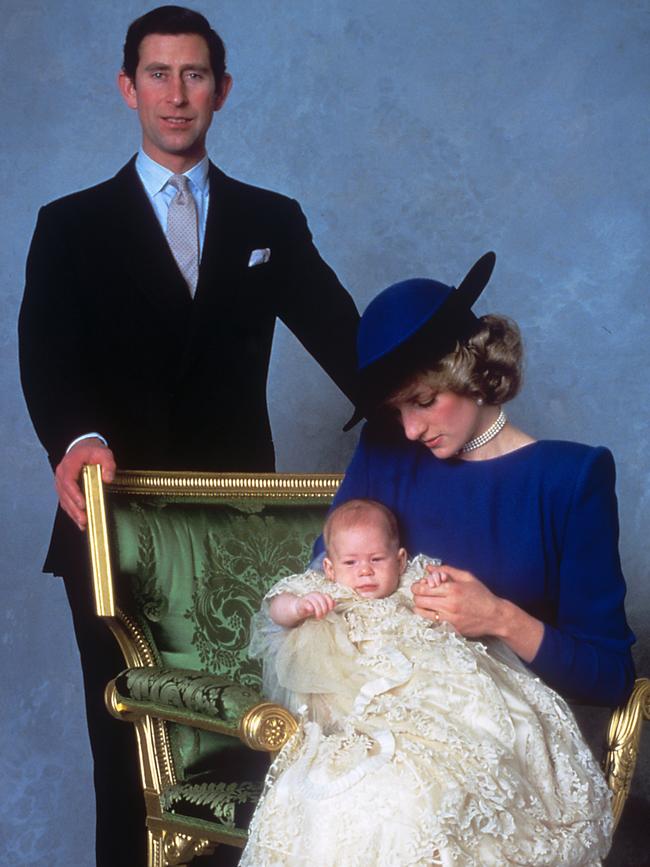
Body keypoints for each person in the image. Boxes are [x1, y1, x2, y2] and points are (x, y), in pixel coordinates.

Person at [18, 6, 358, 864]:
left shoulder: (269, 220)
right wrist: (77, 438)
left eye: (195, 75)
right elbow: (46, 355)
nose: (178, 95)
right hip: (111, 528)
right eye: (160, 75)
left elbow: (350, 342)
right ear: (129, 87)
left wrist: (439, 389)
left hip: (237, 537)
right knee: (126, 752)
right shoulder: (69, 224)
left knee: (245, 743)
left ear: (223, 90)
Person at [313, 251, 635, 711]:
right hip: (388, 720)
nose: (409, 429)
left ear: (476, 375)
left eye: (423, 401)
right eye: (396, 409)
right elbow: (321, 586)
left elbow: (612, 678)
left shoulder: (570, 479)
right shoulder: (383, 451)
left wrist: (499, 617)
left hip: (508, 737)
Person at [241, 498, 613, 866]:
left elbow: (448, 589)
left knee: (483, 715)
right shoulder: (323, 589)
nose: (365, 572)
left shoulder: (410, 583)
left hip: (426, 679)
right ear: (330, 567)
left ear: (400, 560)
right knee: (351, 763)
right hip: (360, 687)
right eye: (351, 563)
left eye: (377, 560)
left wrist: (437, 581)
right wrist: (300, 608)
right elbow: (277, 607)